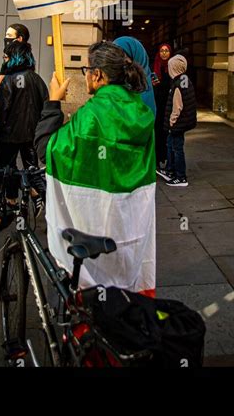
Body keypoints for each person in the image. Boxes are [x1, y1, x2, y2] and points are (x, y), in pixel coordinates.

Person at [35, 41, 156, 295]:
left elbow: (49, 149)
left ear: (98, 74)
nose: (86, 75)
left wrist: (53, 103)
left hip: (95, 223)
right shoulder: (140, 110)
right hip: (130, 225)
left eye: (86, 70)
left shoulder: (93, 114)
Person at [0, 41, 48, 206]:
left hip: (8, 135)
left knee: (1, 169)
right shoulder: (37, 79)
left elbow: (1, 108)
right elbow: (46, 105)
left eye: (6, 57)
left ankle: (1, 202)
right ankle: (42, 200)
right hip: (31, 135)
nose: (5, 60)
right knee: (33, 170)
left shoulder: (9, 80)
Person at [160, 54, 197, 187]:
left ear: (174, 68)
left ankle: (180, 177)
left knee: (176, 148)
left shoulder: (177, 84)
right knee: (171, 145)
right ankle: (170, 171)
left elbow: (177, 107)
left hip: (177, 124)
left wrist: (172, 122)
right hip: (183, 122)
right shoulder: (185, 79)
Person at [114, 36, 156, 115]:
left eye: (122, 56)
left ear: (136, 57)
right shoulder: (113, 84)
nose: (118, 62)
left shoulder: (145, 89)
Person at [0, 23, 31, 100]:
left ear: (19, 38)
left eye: (9, 35)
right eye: (6, 35)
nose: (6, 38)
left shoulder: (20, 72)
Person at [153, 43, 172, 171]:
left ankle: (167, 159)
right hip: (157, 105)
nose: (164, 53)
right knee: (157, 132)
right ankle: (157, 160)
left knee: (167, 134)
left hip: (169, 106)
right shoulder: (155, 67)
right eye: (162, 51)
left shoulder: (173, 68)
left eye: (166, 51)